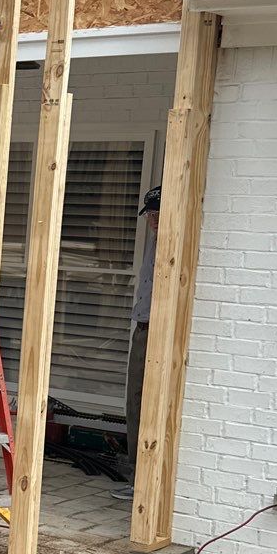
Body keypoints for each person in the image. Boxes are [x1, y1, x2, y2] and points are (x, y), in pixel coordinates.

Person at [114, 187, 160, 497]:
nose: (153, 221)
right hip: (143, 326)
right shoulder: (154, 242)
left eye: (158, 214)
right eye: (150, 215)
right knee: (135, 400)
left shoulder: (176, 243)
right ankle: (137, 475)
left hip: (159, 330)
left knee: (149, 402)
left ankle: (146, 480)